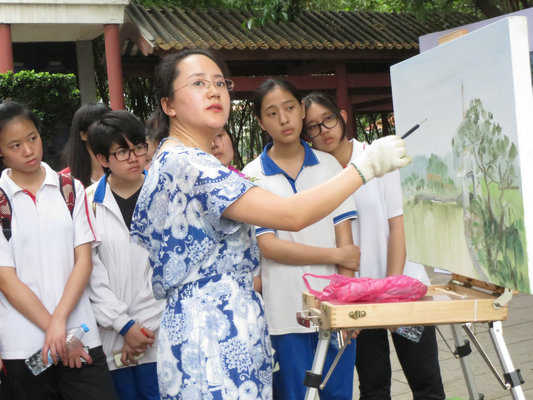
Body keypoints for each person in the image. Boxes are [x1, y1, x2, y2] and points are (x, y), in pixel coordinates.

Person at [129, 49, 410, 400]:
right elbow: (290, 216)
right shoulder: (190, 164)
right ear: (168, 104)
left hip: (213, 329)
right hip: (213, 337)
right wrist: (364, 169)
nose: (214, 91)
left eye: (220, 82)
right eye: (198, 83)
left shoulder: (175, 157)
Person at [302, 92, 445, 400]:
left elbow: (398, 226)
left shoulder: (376, 157)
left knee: (426, 383)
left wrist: (391, 292)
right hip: (358, 300)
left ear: (341, 115)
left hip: (403, 290)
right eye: (312, 127)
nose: (322, 130)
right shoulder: (317, 176)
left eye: (327, 119)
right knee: (374, 387)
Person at [241, 79, 359, 400]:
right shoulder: (252, 176)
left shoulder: (331, 165)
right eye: (272, 112)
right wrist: (336, 255)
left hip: (331, 310)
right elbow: (270, 247)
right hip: (283, 315)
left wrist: (344, 308)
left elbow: (346, 243)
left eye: (290, 108)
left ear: (302, 109)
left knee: (339, 395)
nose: (284, 119)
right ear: (260, 121)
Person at [0, 100, 118, 399]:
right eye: (15, 145)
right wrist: (57, 333)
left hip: (81, 335)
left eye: (32, 138)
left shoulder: (70, 188)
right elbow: (7, 279)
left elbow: (83, 262)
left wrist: (61, 329)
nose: (28, 150)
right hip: (25, 344)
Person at [86, 110, 164, 400]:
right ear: (102, 159)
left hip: (159, 335)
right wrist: (124, 326)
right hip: (113, 341)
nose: (134, 157)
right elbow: (90, 276)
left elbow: (170, 268)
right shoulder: (88, 204)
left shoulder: (165, 194)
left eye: (138, 147)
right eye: (122, 152)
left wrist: (139, 333)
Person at [61, 103, 111, 187]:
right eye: (100, 126)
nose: (107, 131)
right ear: (83, 135)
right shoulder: (66, 181)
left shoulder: (125, 170)